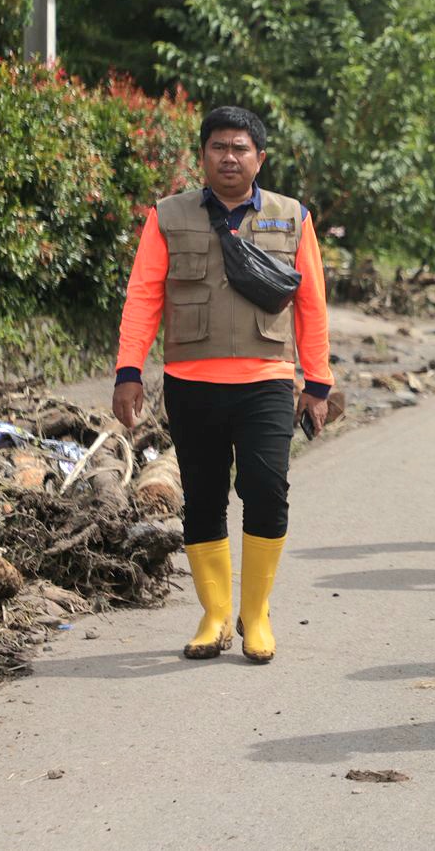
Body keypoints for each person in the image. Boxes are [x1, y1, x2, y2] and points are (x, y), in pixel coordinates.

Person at [112, 106, 332, 664]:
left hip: (267, 382)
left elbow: (311, 304)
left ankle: (254, 614)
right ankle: (213, 616)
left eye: (240, 148)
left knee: (266, 489)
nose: (229, 157)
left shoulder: (292, 216)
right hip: (190, 383)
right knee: (204, 498)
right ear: (202, 154)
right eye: (218, 147)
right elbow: (143, 295)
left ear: (260, 157)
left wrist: (319, 381)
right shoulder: (168, 216)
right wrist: (128, 371)